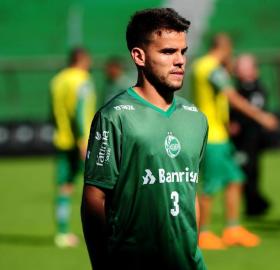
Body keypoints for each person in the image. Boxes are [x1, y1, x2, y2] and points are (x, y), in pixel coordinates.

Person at [81, 8, 207, 270]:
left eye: (182, 51)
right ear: (139, 56)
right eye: (167, 52)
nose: (180, 61)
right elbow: (95, 198)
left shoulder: (196, 118)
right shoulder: (115, 117)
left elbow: (189, 190)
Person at [192, 33, 278, 250]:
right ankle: (203, 234)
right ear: (226, 47)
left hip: (220, 134)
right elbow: (232, 96)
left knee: (235, 179)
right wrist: (262, 116)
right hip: (212, 138)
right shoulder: (211, 67)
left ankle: (232, 229)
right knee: (210, 186)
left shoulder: (203, 66)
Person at [50, 47, 96, 248]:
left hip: (61, 139)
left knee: (65, 187)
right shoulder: (82, 80)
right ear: (83, 60)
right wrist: (82, 141)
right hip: (81, 142)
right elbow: (79, 112)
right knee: (100, 187)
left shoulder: (57, 80)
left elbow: (52, 112)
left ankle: (62, 232)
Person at [229, 54, 272, 216]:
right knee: (243, 171)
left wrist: (238, 122)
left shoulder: (256, 90)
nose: (241, 71)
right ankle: (255, 204)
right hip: (239, 139)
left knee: (248, 171)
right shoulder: (236, 89)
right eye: (239, 67)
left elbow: (252, 110)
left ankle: (256, 204)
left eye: (245, 67)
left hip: (250, 139)